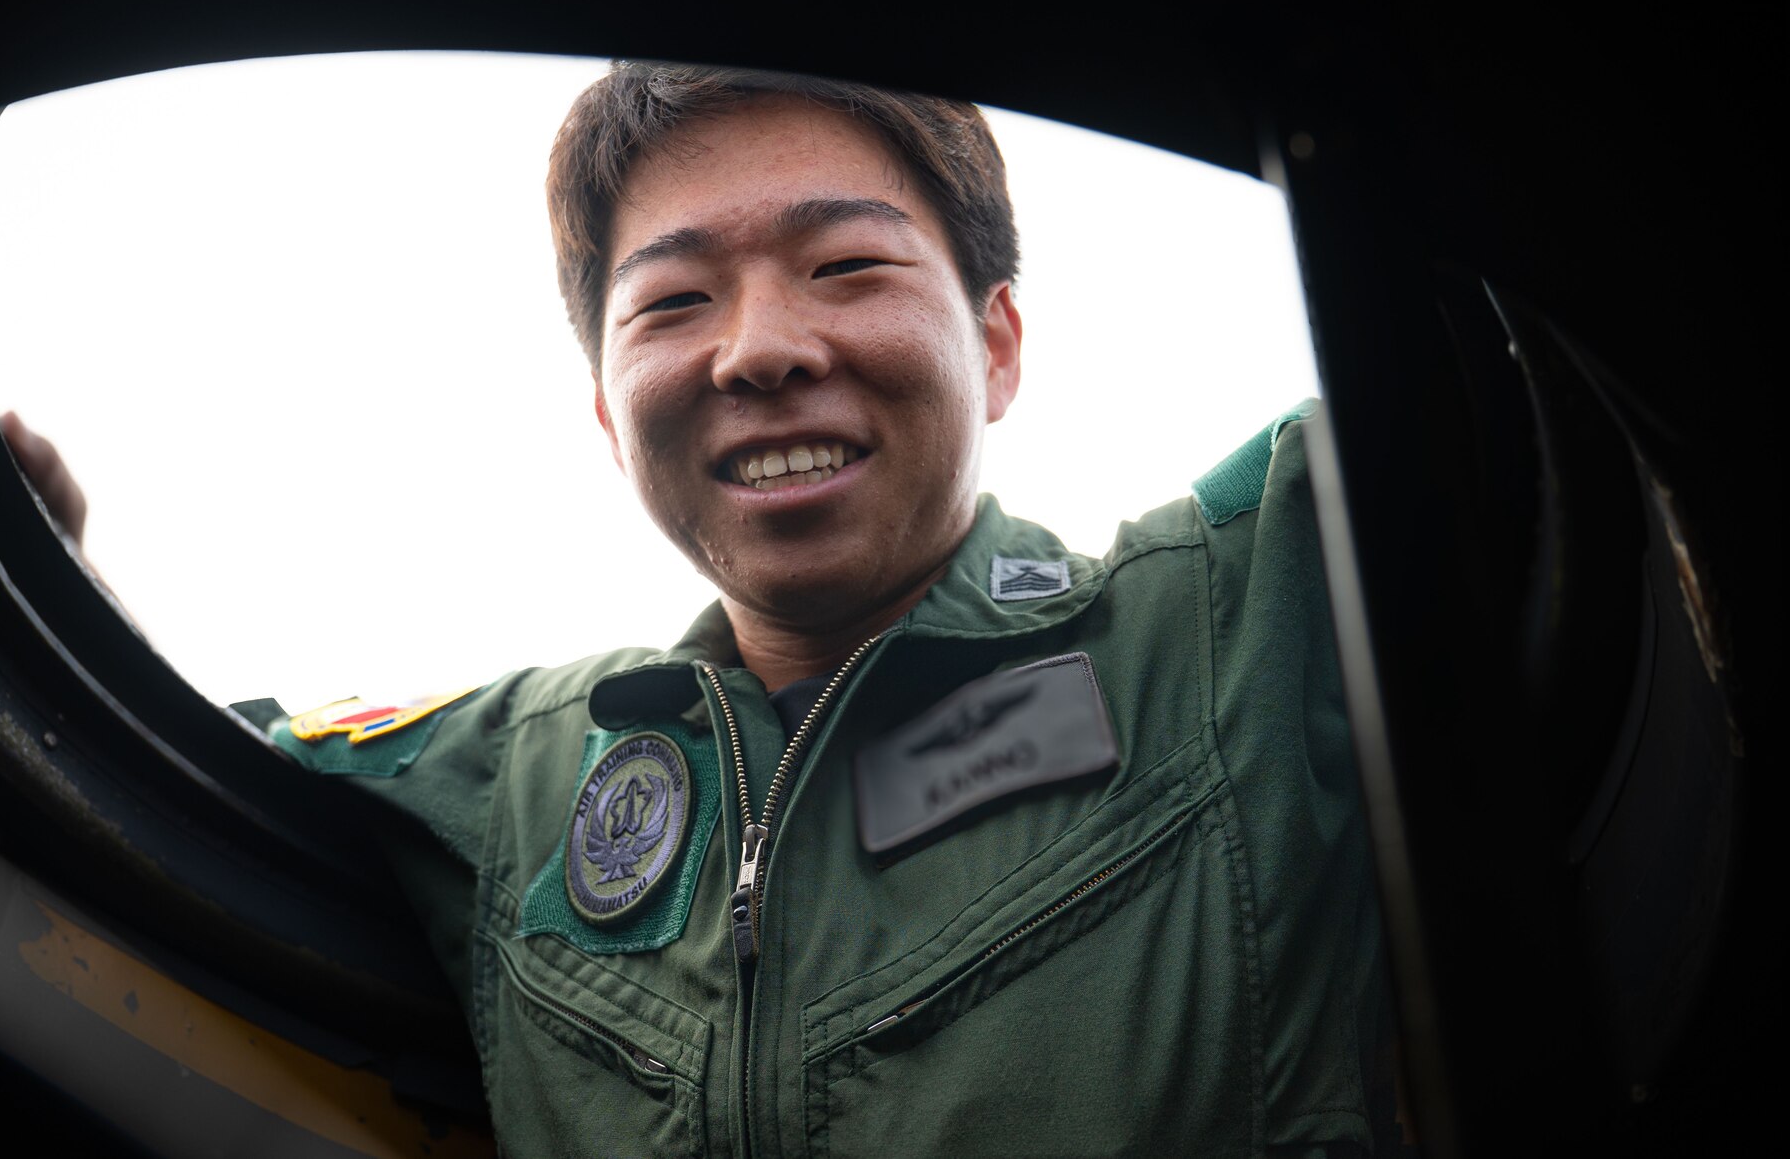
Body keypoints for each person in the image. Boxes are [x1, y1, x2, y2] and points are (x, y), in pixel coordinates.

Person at [240, 61, 1385, 1156]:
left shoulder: (1244, 613)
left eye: (843, 266)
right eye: (673, 301)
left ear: (994, 344)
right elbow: (129, 773)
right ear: (605, 409)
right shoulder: (506, 781)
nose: (759, 350)